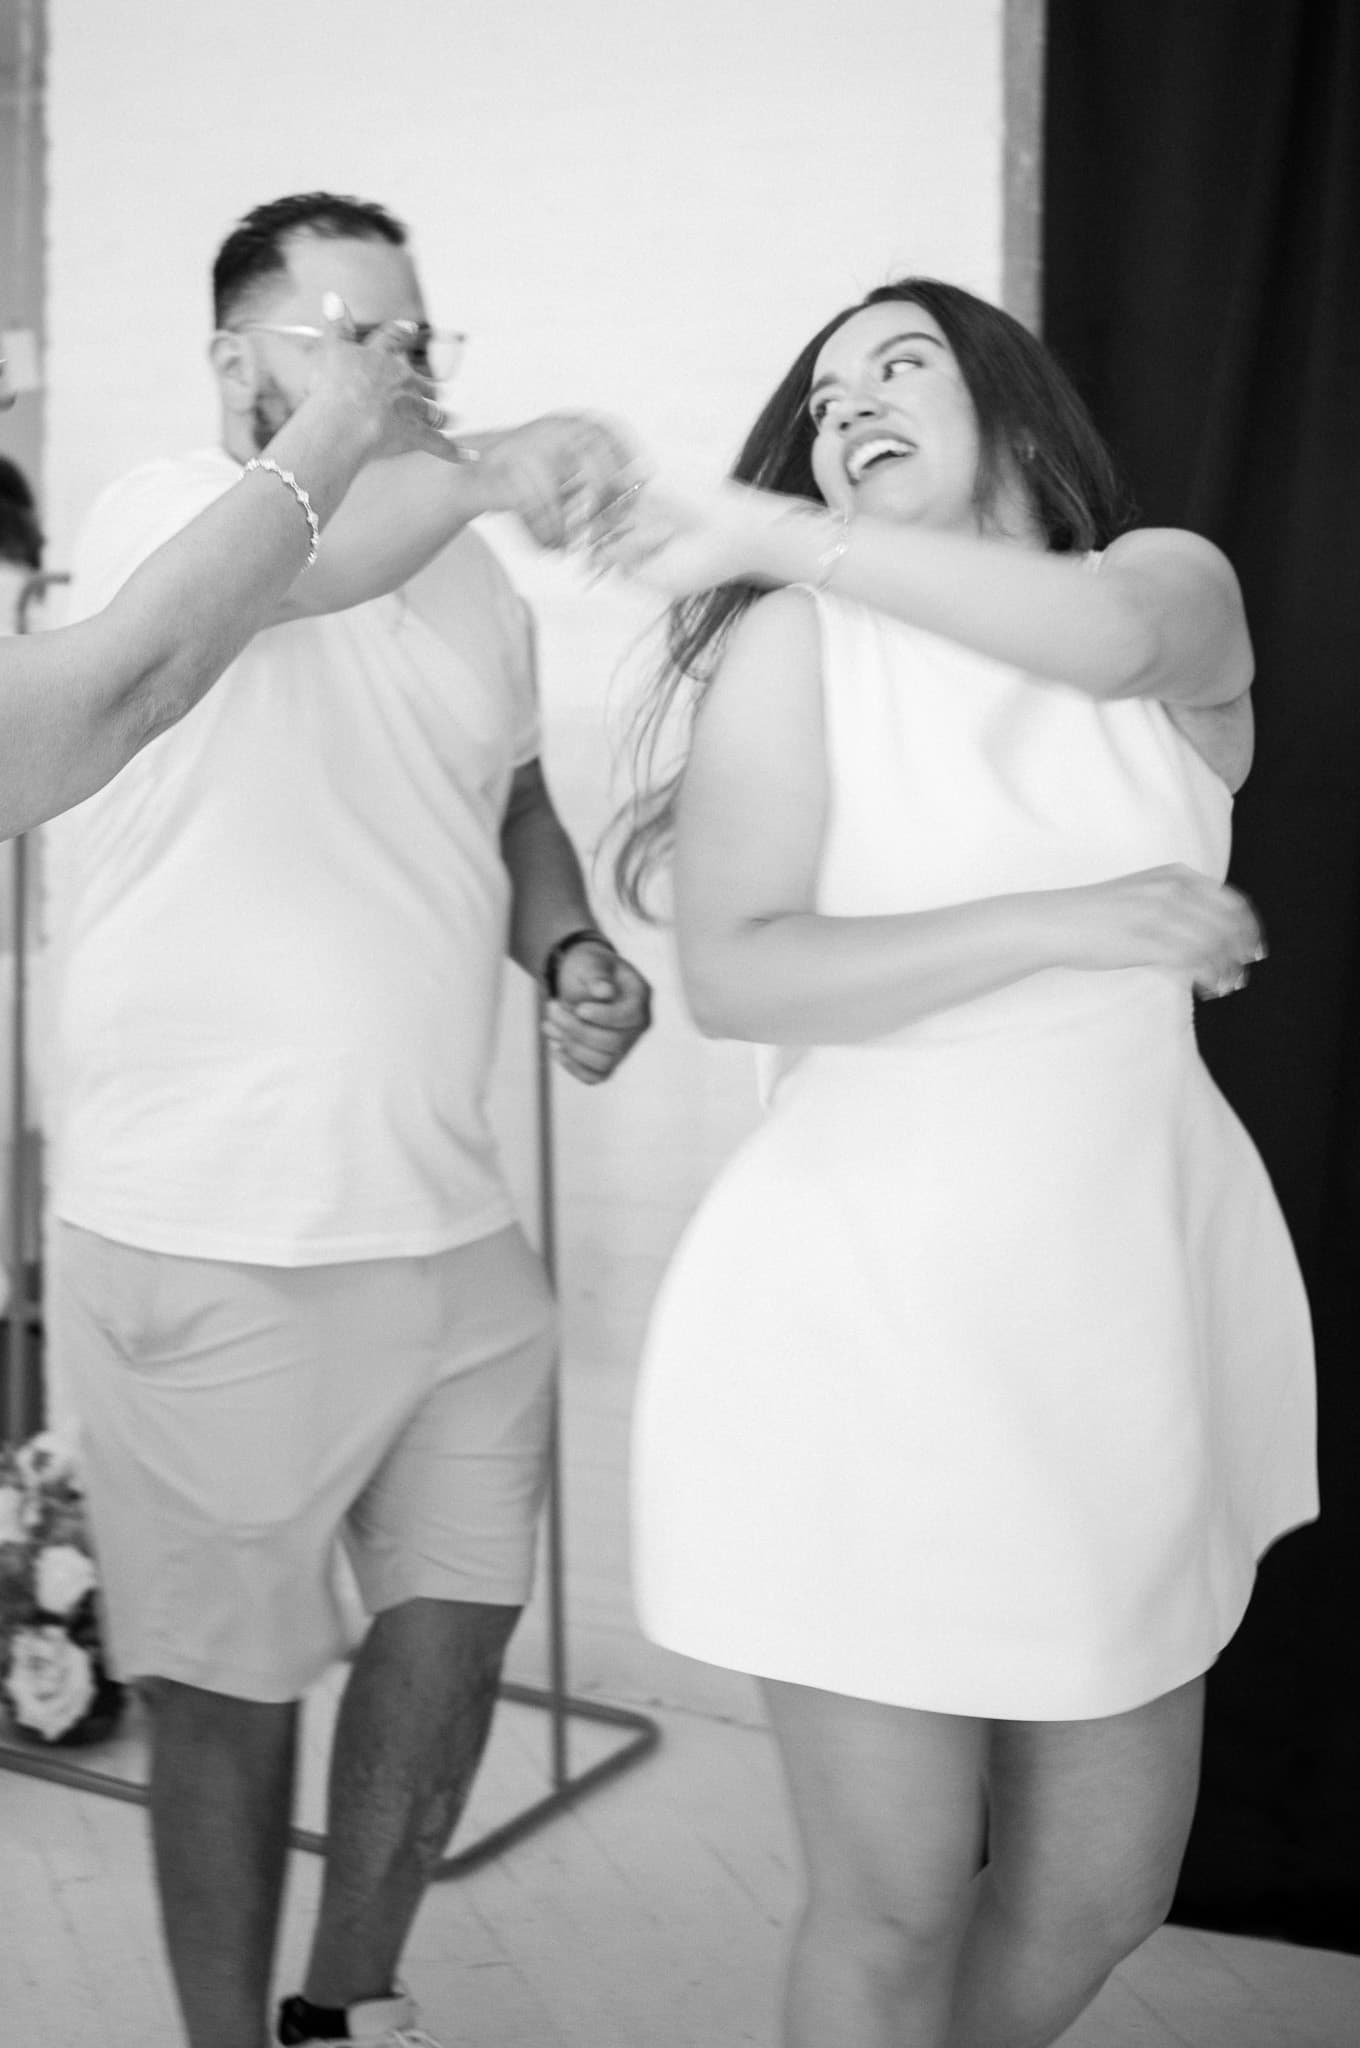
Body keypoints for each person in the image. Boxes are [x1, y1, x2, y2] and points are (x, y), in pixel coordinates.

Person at [608, 279, 1317, 2048]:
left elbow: (1110, 648)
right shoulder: (795, 644)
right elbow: (743, 969)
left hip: (1120, 1304)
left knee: (1103, 1885)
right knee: (899, 1891)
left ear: (1011, 408)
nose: (852, 400)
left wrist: (763, 520)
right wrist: (1066, 917)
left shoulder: (1169, 580)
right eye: (826, 390)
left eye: (901, 364)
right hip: (865, 1312)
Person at [42, 192, 651, 2048]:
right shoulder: (160, 515)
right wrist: (482, 467)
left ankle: (347, 2007)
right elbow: (310, 563)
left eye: (415, 334)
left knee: (452, 1641)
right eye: (345, 332)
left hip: (449, 1231)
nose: (399, 365)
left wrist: (566, 941)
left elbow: (513, 792)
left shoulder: (472, 582)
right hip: (209, 1229)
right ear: (238, 362)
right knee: (228, 1702)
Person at [0, 313, 468, 836]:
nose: (7, 387)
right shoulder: (157, 497)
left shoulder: (466, 564)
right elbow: (128, 685)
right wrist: (344, 415)